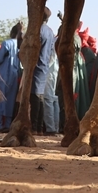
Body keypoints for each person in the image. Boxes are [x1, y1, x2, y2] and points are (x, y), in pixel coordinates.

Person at [0, 22, 21, 133]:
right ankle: (8, 125)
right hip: (14, 74)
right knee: (10, 100)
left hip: (3, 74)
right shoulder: (20, 44)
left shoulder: (6, 43)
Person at [31, 7, 56, 135]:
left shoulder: (38, 30)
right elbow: (52, 50)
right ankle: (39, 128)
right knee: (40, 96)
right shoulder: (50, 32)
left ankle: (34, 128)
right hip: (45, 66)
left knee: (35, 97)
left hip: (36, 65)